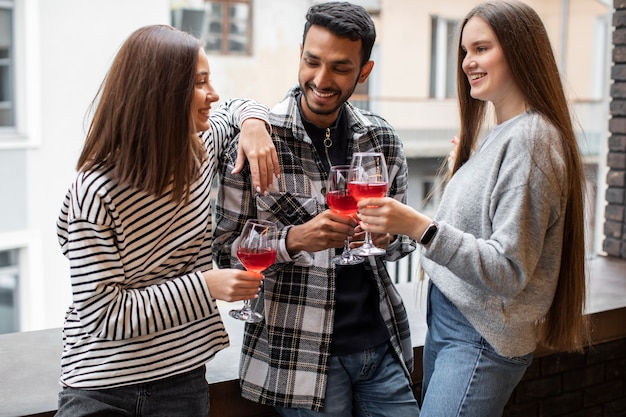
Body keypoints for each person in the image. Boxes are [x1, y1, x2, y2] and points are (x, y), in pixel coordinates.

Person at [356, 1, 590, 416]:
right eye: (465, 51)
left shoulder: (532, 139)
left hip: (479, 336)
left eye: (481, 48)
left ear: (520, 50)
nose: (468, 62)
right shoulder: (501, 134)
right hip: (454, 324)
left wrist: (420, 226)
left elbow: (509, 270)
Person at [54, 24, 279, 417]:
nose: (214, 94)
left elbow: (240, 105)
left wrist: (254, 126)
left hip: (182, 380)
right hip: (102, 387)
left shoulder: (200, 147)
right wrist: (206, 286)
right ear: (161, 94)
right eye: (200, 83)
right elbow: (104, 314)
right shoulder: (96, 189)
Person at [212, 2, 420, 416]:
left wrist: (385, 236)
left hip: (382, 345)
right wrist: (295, 239)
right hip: (302, 359)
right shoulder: (257, 140)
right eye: (312, 62)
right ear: (300, 56)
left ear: (364, 71)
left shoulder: (382, 139)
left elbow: (400, 244)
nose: (321, 80)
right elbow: (223, 252)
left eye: (341, 68)